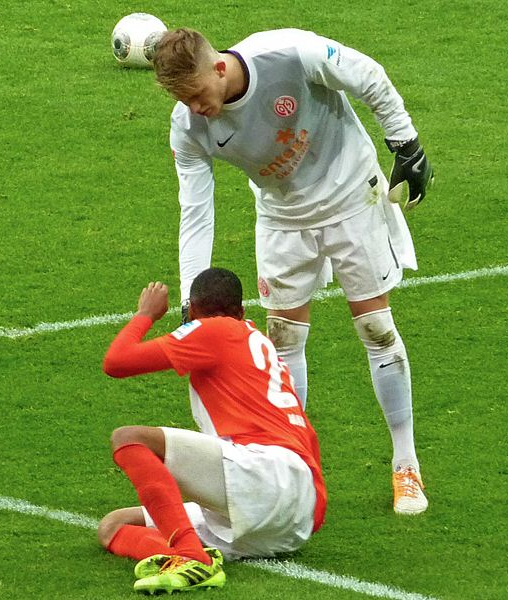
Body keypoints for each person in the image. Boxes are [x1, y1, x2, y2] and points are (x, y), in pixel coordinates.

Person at [148, 27, 433, 514]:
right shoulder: (188, 127)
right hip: (282, 217)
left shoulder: (289, 54)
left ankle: (406, 466)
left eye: (197, 95)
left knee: (376, 327)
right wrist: (193, 302)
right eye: (183, 100)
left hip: (350, 195)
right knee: (283, 338)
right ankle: (294, 467)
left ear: (219, 68)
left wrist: (406, 143)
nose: (195, 108)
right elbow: (196, 211)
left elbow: (367, 75)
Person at [97, 267, 327, 594]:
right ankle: (183, 555)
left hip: (262, 476)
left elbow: (116, 361)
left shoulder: (212, 330)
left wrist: (146, 314)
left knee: (128, 439)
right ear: (242, 311)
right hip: (294, 513)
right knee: (113, 525)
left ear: (192, 311)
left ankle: (193, 558)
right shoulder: (257, 341)